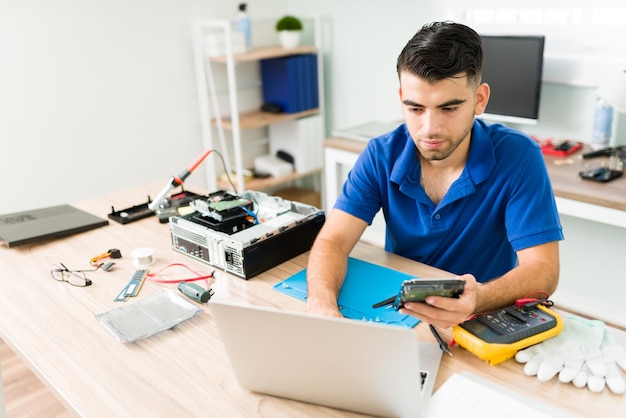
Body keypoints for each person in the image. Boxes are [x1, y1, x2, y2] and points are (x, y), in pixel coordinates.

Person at [305, 21, 563, 329]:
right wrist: (321, 305)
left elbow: (543, 269)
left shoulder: (519, 156)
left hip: (482, 317)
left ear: (479, 99)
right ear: (402, 97)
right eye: (415, 109)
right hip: (401, 316)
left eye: (449, 109)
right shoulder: (380, 154)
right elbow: (333, 240)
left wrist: (478, 297)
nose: (429, 129)